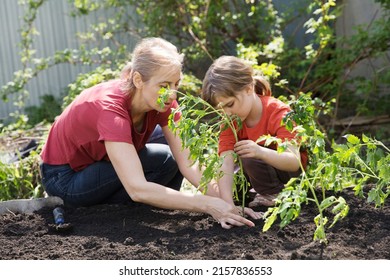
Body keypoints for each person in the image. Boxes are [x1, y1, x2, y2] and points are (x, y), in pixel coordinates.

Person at [40, 38, 258, 229]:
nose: (172, 93)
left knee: (168, 160)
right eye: (164, 85)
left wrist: (228, 205)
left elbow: (188, 163)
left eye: (176, 83)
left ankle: (128, 208)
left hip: (100, 165)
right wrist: (206, 204)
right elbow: (136, 188)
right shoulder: (110, 109)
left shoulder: (164, 101)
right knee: (147, 178)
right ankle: (105, 210)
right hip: (64, 178)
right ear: (137, 80)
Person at [201, 56, 308, 208]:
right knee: (231, 183)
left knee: (249, 156)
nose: (227, 114)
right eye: (220, 110)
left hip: (290, 175)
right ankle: (257, 191)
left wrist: (260, 152)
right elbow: (225, 161)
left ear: (248, 88)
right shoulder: (230, 122)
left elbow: (293, 162)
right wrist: (228, 205)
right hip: (258, 171)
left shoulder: (278, 113)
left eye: (230, 104)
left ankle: (273, 193)